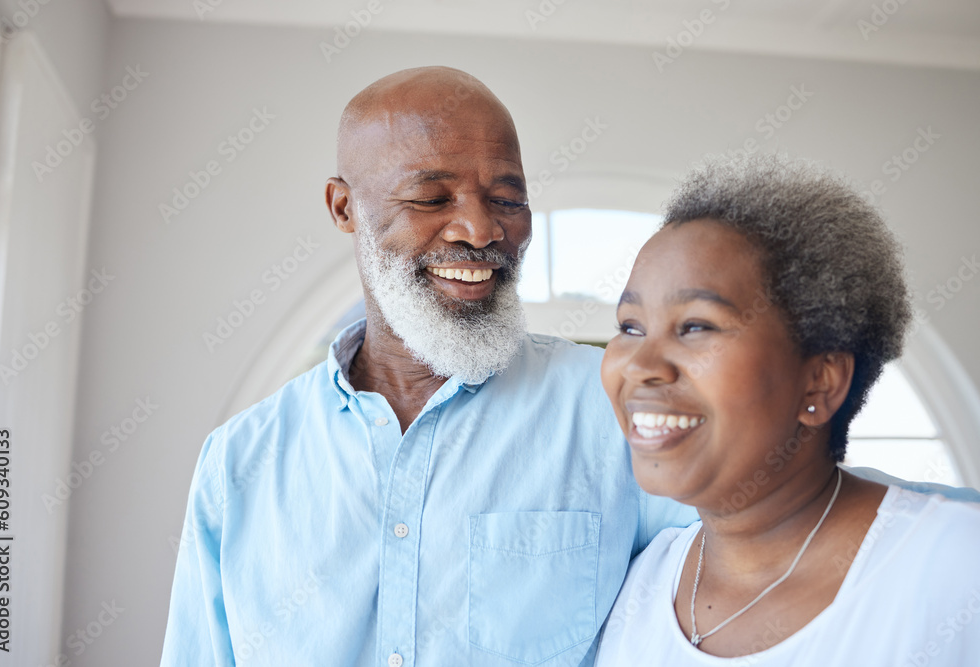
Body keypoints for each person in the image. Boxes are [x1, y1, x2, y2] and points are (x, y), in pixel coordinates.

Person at [159, 66, 699, 667]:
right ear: (345, 208)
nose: (480, 229)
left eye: (507, 199)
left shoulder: (613, 411)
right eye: (430, 198)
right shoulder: (238, 463)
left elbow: (731, 597)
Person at [596, 153, 980, 666]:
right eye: (630, 327)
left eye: (696, 327)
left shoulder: (955, 564)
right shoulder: (643, 586)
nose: (642, 364)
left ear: (821, 380)